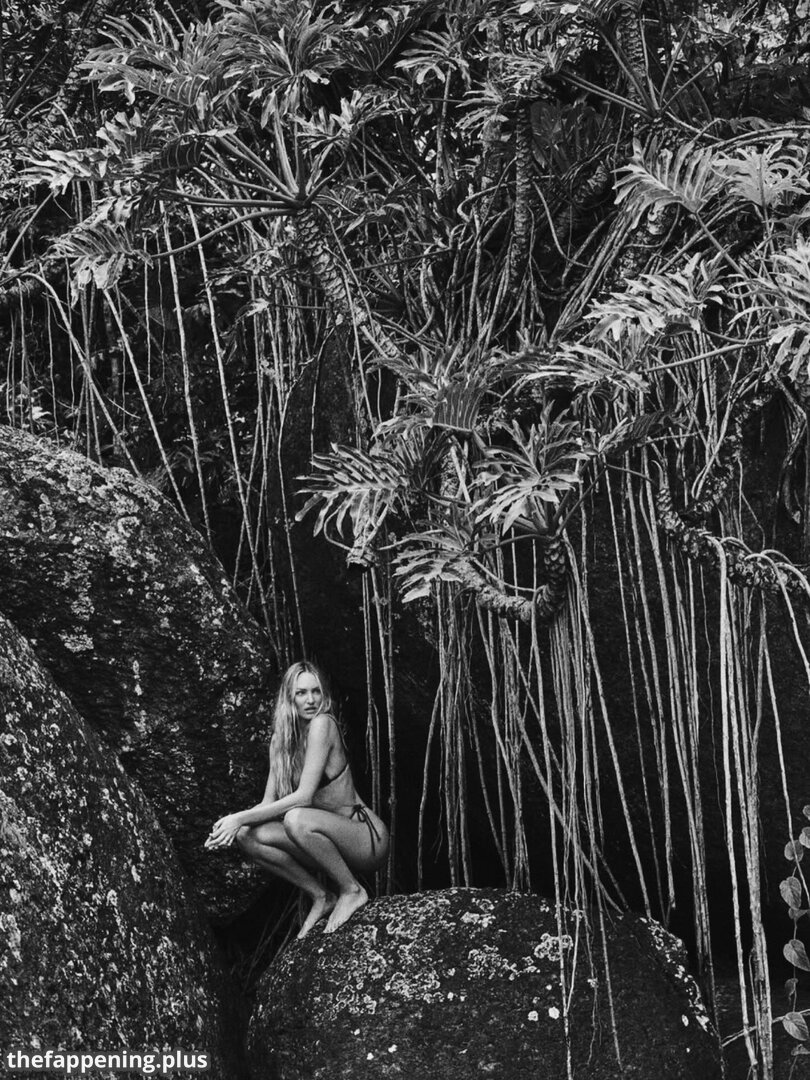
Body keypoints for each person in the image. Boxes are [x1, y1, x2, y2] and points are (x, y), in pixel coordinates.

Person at [204, 660, 389, 938]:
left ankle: (352, 890)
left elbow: (303, 797)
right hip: (325, 844)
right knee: (246, 835)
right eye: (301, 693)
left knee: (295, 818)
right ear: (289, 698)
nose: (311, 700)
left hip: (365, 839)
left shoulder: (323, 724)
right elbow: (267, 804)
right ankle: (321, 896)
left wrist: (237, 817)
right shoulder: (280, 741)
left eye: (316, 691)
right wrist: (227, 828)